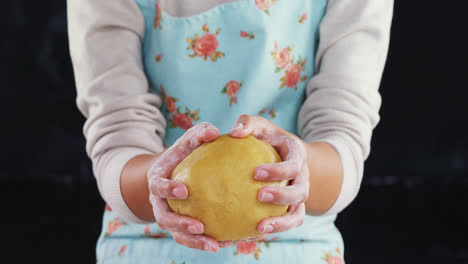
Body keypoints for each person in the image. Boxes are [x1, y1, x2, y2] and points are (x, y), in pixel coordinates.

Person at [68, 0, 393, 263]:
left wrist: (299, 170)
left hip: (298, 244)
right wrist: (159, 187)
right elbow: (118, 135)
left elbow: (342, 140)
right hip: (146, 245)